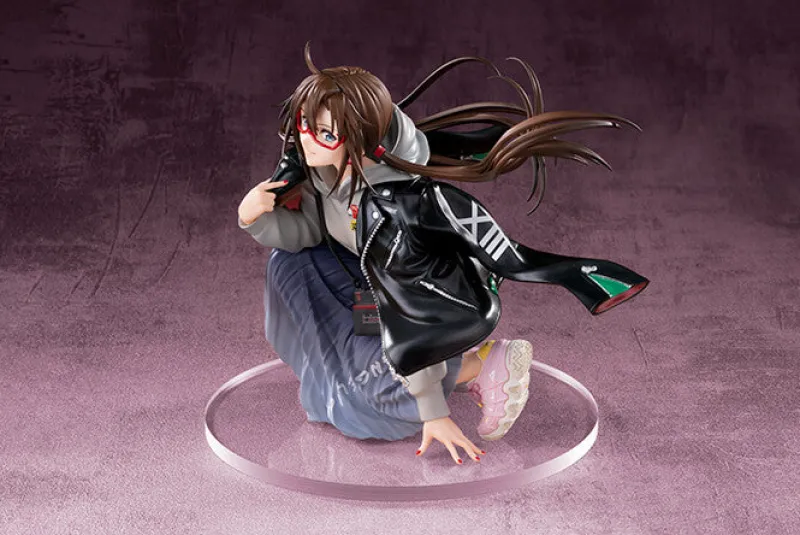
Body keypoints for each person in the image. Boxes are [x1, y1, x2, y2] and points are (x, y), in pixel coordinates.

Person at [237, 44, 648, 465]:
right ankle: (419, 374)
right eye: (304, 125)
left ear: (362, 137)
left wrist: (434, 412)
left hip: (425, 302)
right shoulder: (323, 170)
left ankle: (478, 365)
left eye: (325, 133)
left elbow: (408, 310)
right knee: (288, 269)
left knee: (362, 405)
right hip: (368, 282)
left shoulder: (394, 210)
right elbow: (307, 233)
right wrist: (254, 215)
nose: (307, 141)